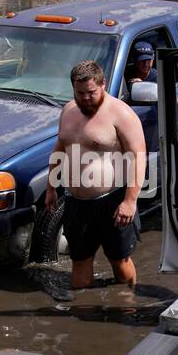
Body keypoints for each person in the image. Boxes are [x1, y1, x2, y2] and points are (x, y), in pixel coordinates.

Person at [45, 60, 147, 290]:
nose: (85, 98)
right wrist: (52, 187)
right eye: (79, 93)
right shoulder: (69, 111)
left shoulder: (121, 113)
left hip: (112, 201)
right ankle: (81, 314)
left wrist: (130, 201)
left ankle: (128, 307)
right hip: (76, 203)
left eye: (90, 92)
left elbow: (138, 157)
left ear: (103, 84)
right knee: (79, 261)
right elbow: (60, 148)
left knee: (119, 261)